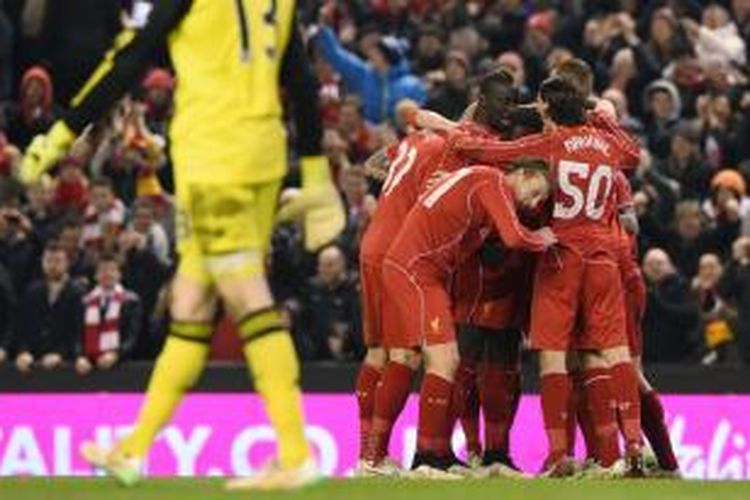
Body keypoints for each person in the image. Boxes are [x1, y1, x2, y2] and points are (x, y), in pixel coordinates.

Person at [19, 0, 345, 490]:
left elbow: (132, 55)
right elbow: (300, 77)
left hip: (216, 159)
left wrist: (65, 130)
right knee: (191, 301)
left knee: (244, 292)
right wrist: (317, 173)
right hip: (262, 155)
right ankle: (133, 450)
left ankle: (296, 452)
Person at [450, 76, 644, 476]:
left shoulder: (551, 144)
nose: (536, 111)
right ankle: (635, 446)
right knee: (615, 352)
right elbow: (634, 154)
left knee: (553, 356)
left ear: (551, 110)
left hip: (561, 255)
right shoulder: (607, 143)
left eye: (540, 106)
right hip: (603, 257)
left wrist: (454, 135)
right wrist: (602, 119)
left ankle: (559, 454)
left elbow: (495, 151)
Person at [356, 70, 520, 474]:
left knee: (379, 352)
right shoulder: (456, 149)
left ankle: (372, 453)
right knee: (408, 355)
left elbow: (374, 163)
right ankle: (377, 457)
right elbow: (436, 198)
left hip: (375, 241)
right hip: (404, 252)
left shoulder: (417, 140)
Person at [382, 160, 555, 478]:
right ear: (524, 174)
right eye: (535, 193)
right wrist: (542, 237)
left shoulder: (476, 180)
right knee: (444, 361)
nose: (533, 204)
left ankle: (439, 454)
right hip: (416, 270)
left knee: (446, 361)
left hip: (418, 270)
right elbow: (516, 238)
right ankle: (424, 459)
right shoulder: (492, 183)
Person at [12, 242, 84, 373]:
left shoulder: (78, 292)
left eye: (57, 261)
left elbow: (78, 331)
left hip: (65, 363)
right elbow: (22, 326)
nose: (52, 265)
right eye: (48, 260)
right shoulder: (31, 291)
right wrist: (23, 351)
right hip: (33, 360)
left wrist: (61, 354)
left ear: (67, 263)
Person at [75, 254, 142, 374]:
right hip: (88, 365)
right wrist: (80, 356)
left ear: (119, 274)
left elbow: (133, 337)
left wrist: (116, 354)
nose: (107, 274)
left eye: (112, 269)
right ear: (95, 276)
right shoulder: (85, 302)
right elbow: (77, 334)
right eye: (103, 270)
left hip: (123, 366)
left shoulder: (131, 301)